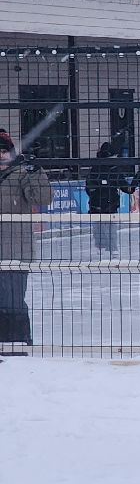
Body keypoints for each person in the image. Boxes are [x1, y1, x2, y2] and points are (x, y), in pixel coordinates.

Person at [0, 129, 54, 350]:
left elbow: (43, 198)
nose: (1, 155)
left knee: (12, 300)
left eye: (4, 151)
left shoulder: (22, 174)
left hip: (15, 250)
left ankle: (16, 342)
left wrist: (35, 171)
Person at [84, 141, 130, 255]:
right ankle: (111, 248)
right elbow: (123, 185)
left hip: (97, 203)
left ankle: (100, 246)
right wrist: (130, 188)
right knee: (110, 227)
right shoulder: (114, 169)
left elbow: (88, 186)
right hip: (110, 203)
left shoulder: (95, 168)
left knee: (99, 225)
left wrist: (94, 194)